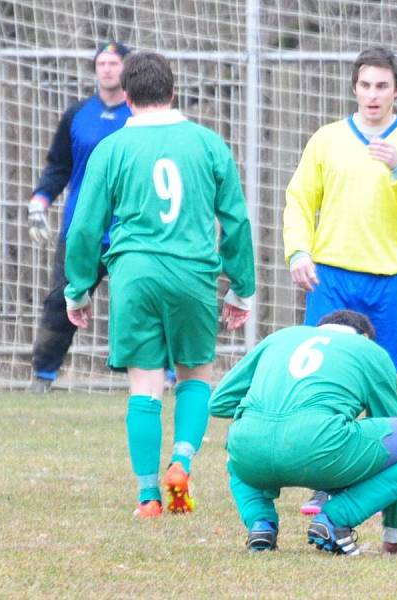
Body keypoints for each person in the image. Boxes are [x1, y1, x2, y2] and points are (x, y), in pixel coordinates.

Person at [63, 52, 256, 518]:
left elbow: (85, 227)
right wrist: (241, 287)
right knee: (195, 374)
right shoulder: (208, 144)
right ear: (173, 92)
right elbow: (235, 221)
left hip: (135, 274)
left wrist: (78, 287)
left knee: (144, 384)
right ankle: (182, 462)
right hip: (193, 272)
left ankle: (148, 497)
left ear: (127, 99)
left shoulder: (112, 148)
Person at [209, 310, 397, 555]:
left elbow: (219, 402)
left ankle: (260, 523)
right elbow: (390, 425)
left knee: (236, 437)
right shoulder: (368, 350)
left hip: (251, 454)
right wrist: (396, 531)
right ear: (364, 336)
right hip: (322, 449)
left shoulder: (280, 337)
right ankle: (336, 519)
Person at [283, 46, 397, 375]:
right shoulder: (327, 139)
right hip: (330, 277)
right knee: (320, 373)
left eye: (382, 86)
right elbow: (299, 200)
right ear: (354, 87)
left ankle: (379, 430)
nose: (372, 94)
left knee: (382, 377)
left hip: (388, 279)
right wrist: (298, 252)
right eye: (365, 85)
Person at [26, 41, 132, 393]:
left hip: (129, 231)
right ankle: (42, 376)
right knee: (61, 300)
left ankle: (164, 375)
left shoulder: (140, 116)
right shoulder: (77, 115)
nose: (107, 68)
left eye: (114, 62)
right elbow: (59, 166)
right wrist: (40, 199)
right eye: (101, 62)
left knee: (141, 302)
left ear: (127, 68)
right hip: (81, 230)